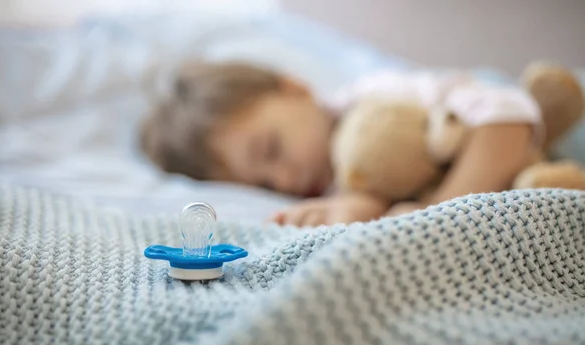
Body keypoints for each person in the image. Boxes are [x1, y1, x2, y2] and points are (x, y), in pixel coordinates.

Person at [139, 61, 556, 227]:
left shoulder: (379, 97)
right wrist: (357, 208)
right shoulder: (330, 191)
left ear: (296, 90)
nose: (284, 179)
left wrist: (441, 210)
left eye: (271, 150)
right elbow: (379, 202)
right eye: (264, 186)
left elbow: (505, 116)